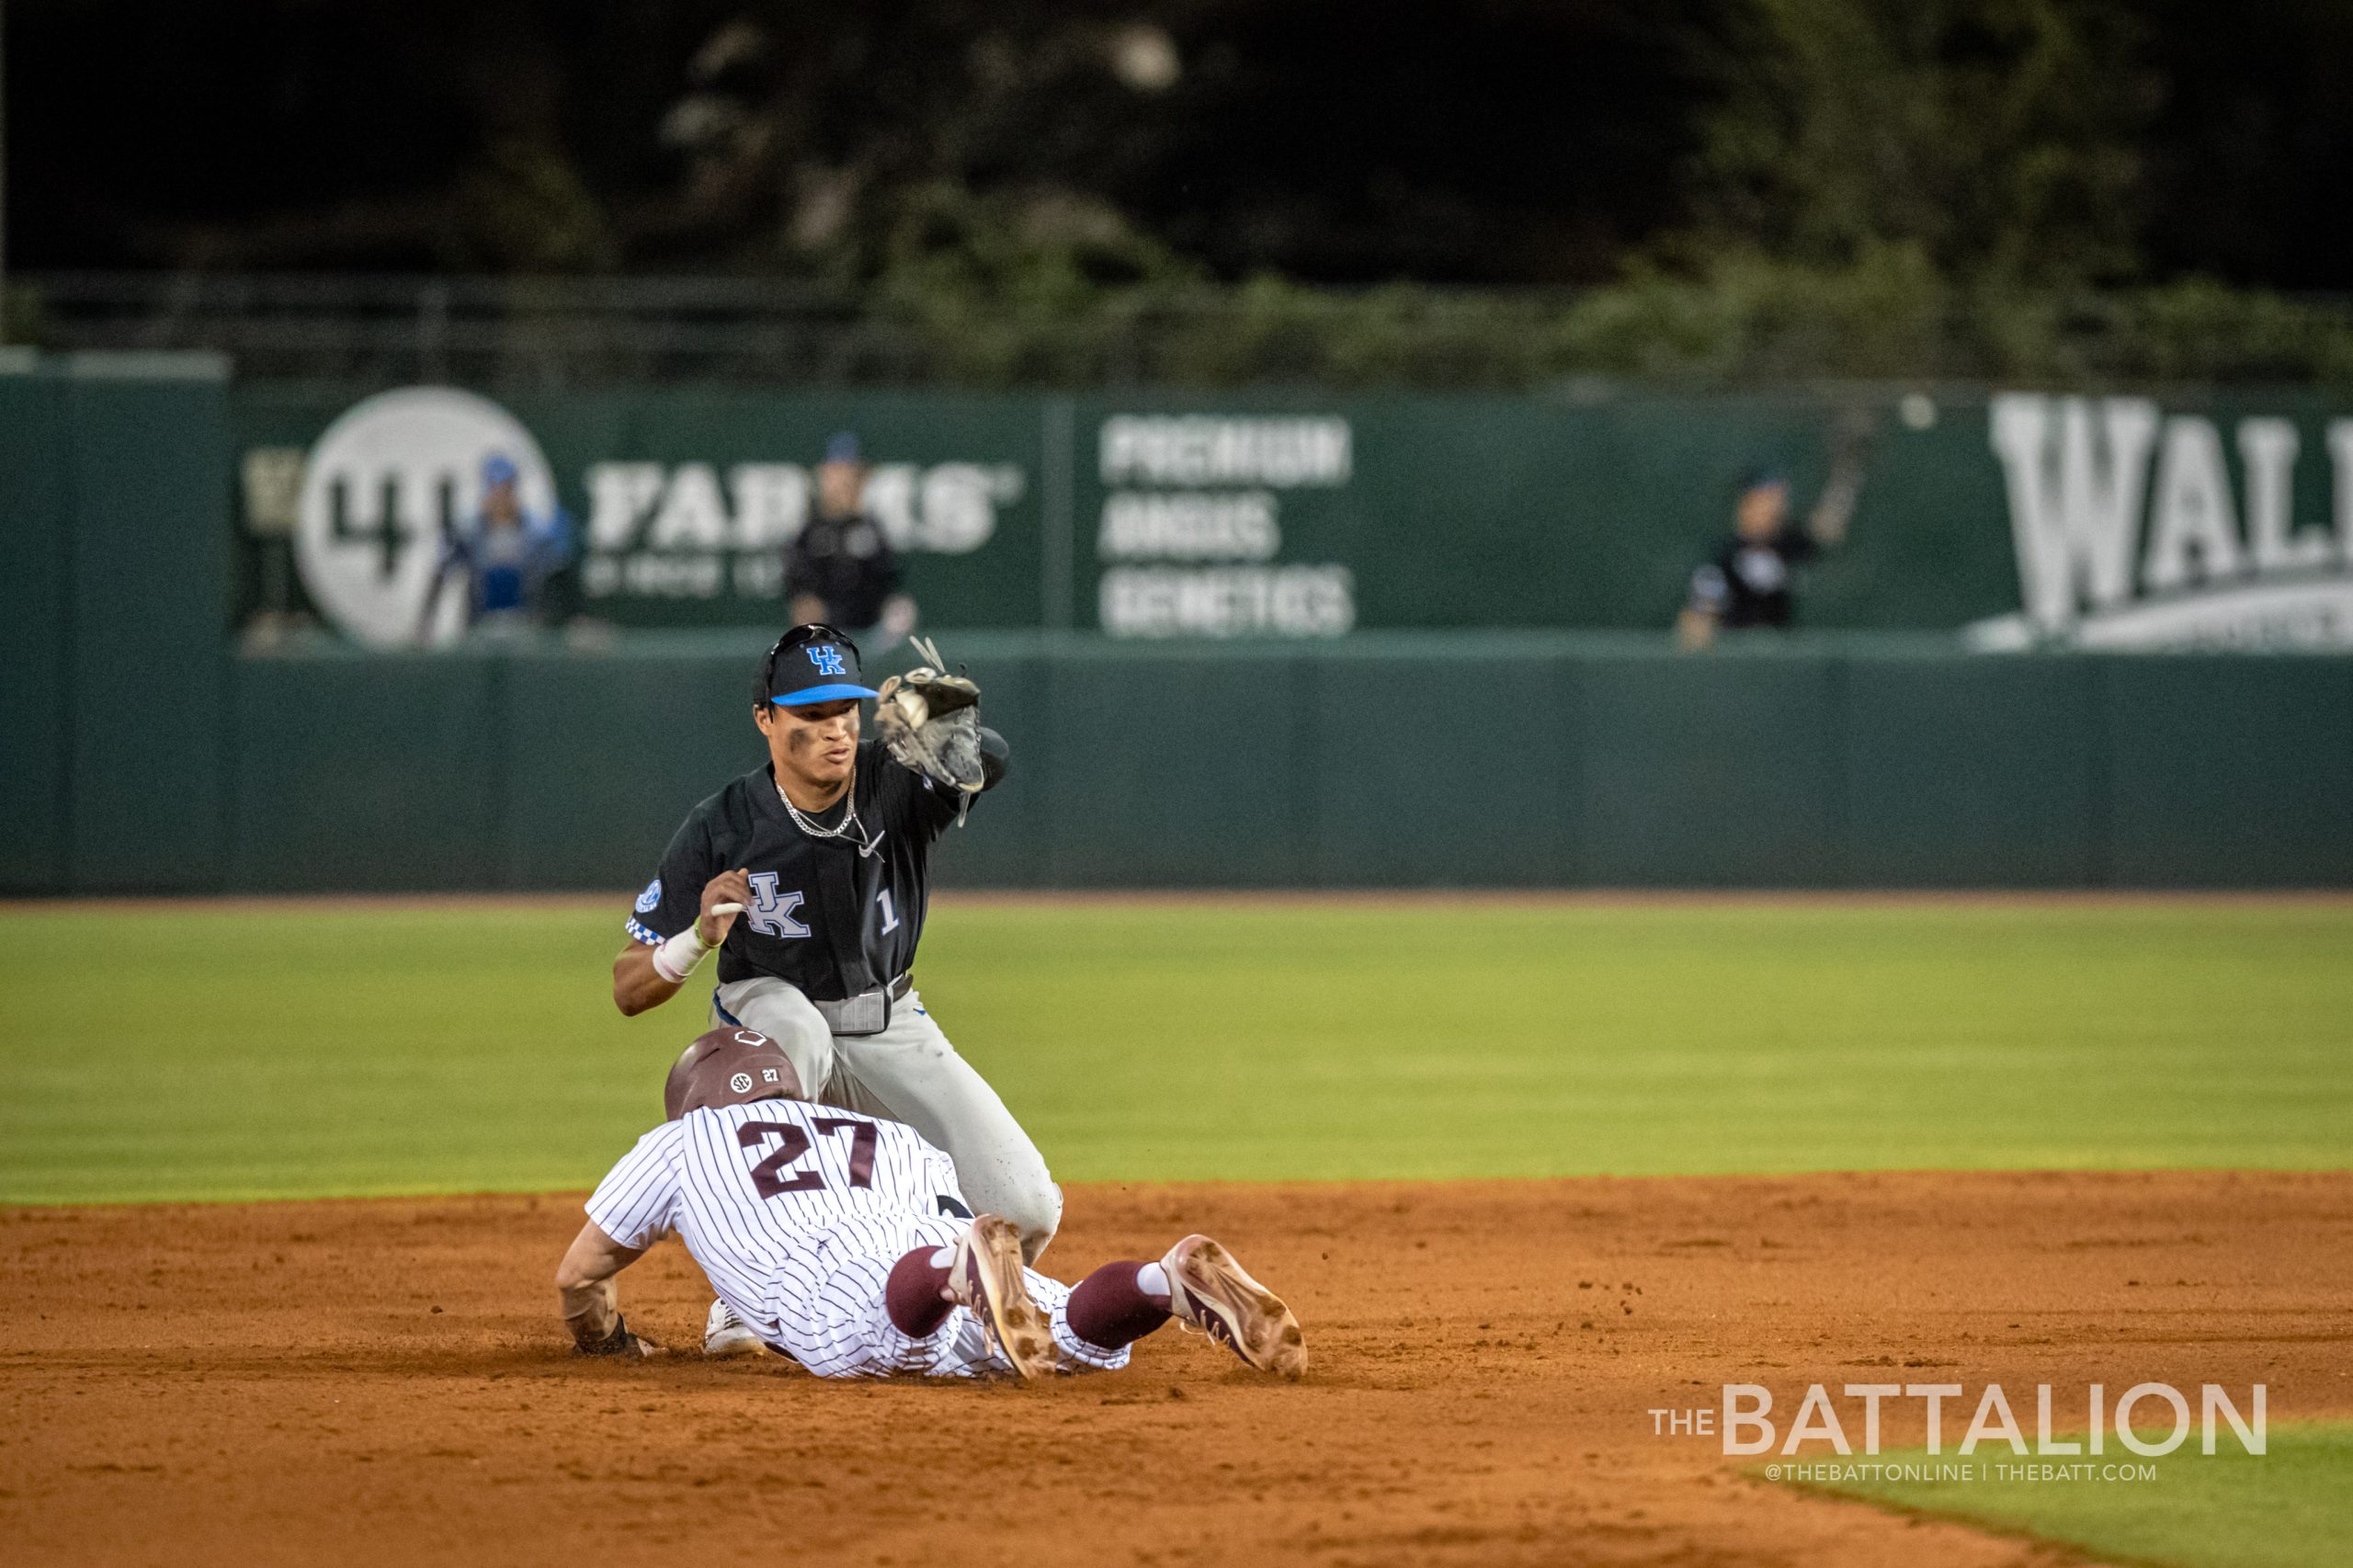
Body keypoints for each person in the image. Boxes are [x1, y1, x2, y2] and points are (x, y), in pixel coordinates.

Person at [612, 621, 1053, 1356]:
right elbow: (629, 985)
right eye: (810, 716)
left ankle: (928, 1300)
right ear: (766, 720)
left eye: (844, 711)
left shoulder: (897, 781)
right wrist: (696, 938)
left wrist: (952, 731)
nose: (835, 731)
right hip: (768, 1013)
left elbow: (991, 762)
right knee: (796, 1032)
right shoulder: (723, 824)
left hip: (890, 1021)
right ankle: (743, 1295)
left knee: (1025, 1207)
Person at [555, 1027, 1308, 1381]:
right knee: (1075, 1342)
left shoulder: (684, 1140)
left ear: (689, 1102)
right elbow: (948, 1210)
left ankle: (956, 1272)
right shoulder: (882, 1129)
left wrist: (609, 1344)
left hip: (852, 1268)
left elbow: (581, 1277)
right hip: (930, 1233)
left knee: (881, 1343)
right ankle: (1164, 1282)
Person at [1676, 466, 1854, 651]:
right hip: (1739, 658)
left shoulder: (1788, 545)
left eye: (1778, 503)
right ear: (1746, 505)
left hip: (1781, 657)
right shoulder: (1724, 557)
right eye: (1766, 502)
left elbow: (1826, 529)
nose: (1774, 510)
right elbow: (1698, 621)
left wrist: (1846, 478)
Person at [418, 452, 574, 641]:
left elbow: (556, 584)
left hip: (526, 626)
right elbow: (441, 576)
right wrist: (424, 627)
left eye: (506, 488)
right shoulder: (467, 532)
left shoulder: (537, 535)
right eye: (494, 488)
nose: (500, 496)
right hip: (478, 624)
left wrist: (553, 626)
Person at [785, 431, 918, 649]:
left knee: (901, 609)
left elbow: (890, 575)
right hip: (825, 626)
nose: (843, 482)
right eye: (836, 474)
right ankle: (822, 664)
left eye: (850, 475)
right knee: (807, 612)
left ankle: (882, 669)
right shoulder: (811, 529)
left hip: (870, 623)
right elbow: (796, 578)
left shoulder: (870, 526)